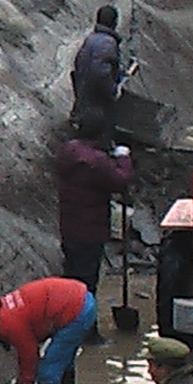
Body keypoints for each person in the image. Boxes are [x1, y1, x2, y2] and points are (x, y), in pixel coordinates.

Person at [55, 110, 133, 290]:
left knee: (71, 273)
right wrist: (123, 157)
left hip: (69, 225)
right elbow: (119, 180)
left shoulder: (66, 150)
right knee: (86, 280)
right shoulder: (96, 161)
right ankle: (83, 315)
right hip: (90, 229)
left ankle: (69, 312)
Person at [71, 4, 126, 134]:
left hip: (84, 90)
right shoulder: (108, 43)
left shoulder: (91, 39)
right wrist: (112, 90)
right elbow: (99, 72)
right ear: (114, 23)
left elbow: (79, 62)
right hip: (95, 96)